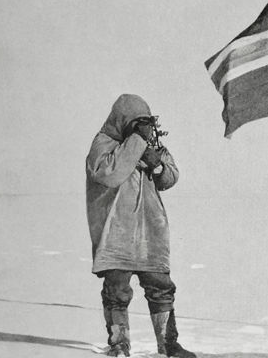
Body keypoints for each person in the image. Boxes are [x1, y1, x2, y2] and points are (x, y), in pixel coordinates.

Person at [85, 94, 195, 358]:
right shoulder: (104, 144)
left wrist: (156, 165)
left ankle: (168, 344)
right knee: (117, 291)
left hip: (149, 231)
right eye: (138, 123)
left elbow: (170, 177)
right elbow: (109, 173)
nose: (144, 128)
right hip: (117, 232)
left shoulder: (149, 144)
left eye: (147, 123)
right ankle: (119, 344)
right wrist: (137, 144)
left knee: (161, 287)